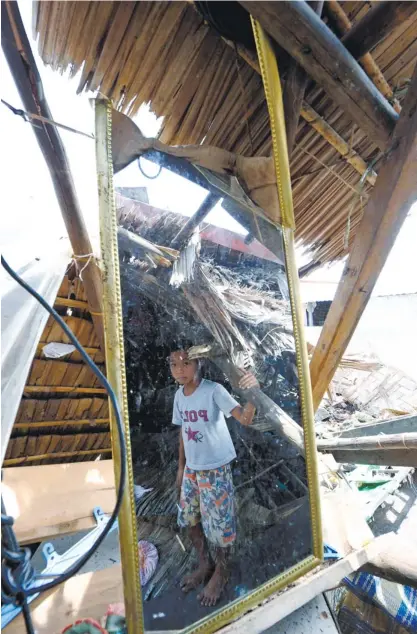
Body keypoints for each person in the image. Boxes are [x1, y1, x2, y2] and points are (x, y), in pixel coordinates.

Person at [170, 342, 259, 607]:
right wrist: (181, 468)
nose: (180, 369)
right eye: (174, 364)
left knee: (221, 528)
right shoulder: (179, 396)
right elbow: (184, 432)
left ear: (199, 364)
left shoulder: (213, 391)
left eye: (186, 362)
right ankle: (205, 564)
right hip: (192, 471)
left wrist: (253, 394)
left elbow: (244, 418)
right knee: (190, 519)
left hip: (215, 470)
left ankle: (221, 571)